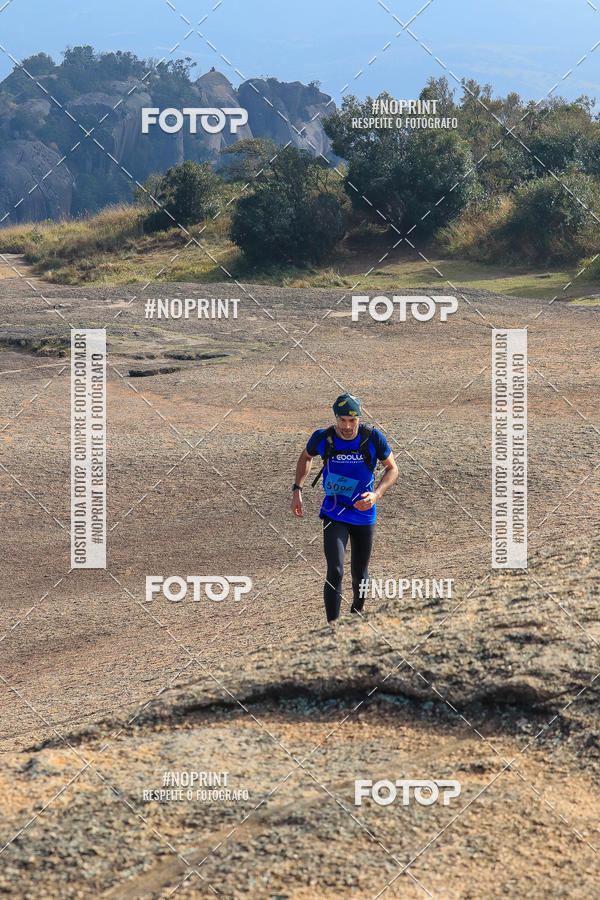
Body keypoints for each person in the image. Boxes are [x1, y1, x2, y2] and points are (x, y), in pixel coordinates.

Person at [290, 393, 398, 625]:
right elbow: (306, 457)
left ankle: (357, 611)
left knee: (360, 573)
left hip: (364, 514)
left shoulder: (372, 438)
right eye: (342, 420)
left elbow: (392, 469)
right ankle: (333, 628)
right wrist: (297, 489)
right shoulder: (323, 438)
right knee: (335, 570)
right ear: (336, 418)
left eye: (352, 420)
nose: (347, 426)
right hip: (334, 511)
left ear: (359, 418)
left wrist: (376, 495)